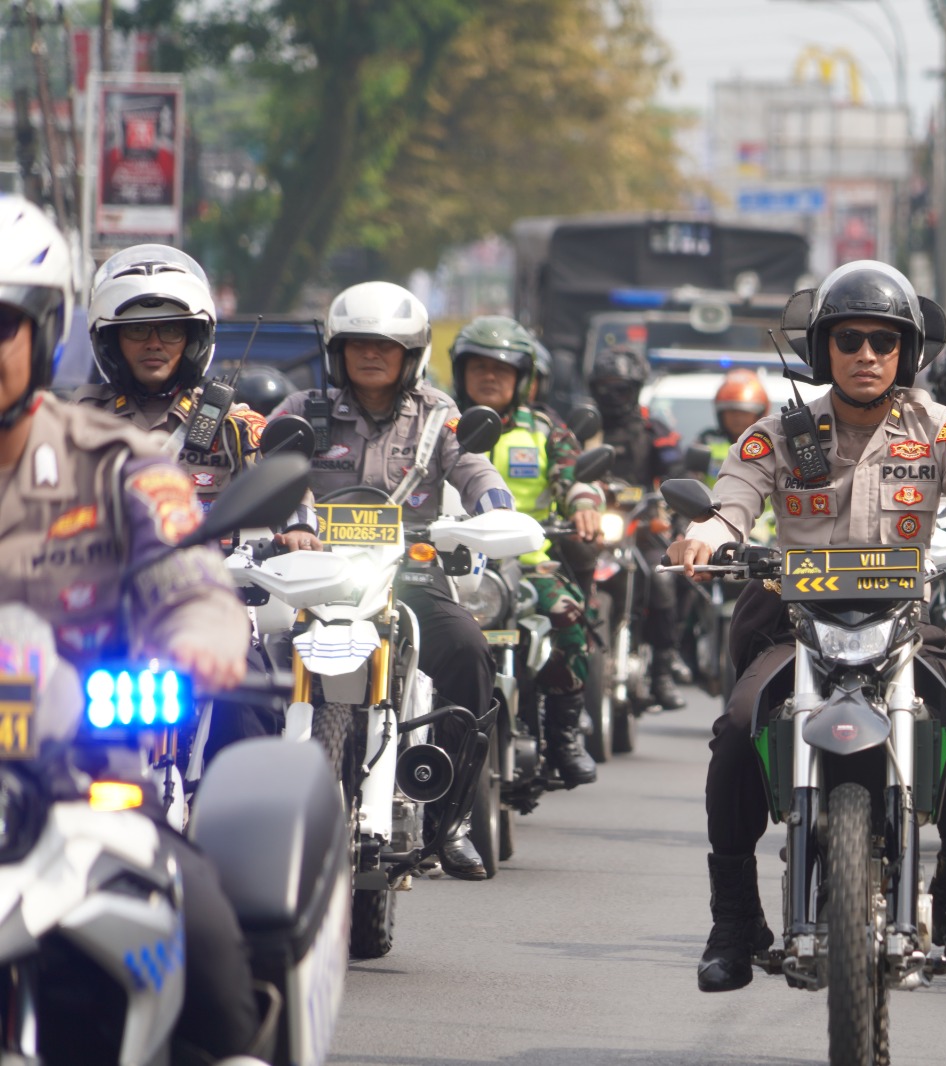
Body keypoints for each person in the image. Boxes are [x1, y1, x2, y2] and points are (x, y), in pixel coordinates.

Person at [666, 260, 946, 992]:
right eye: (850, 340)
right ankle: (734, 918)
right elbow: (730, 505)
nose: (868, 355)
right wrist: (706, 538)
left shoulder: (940, 429)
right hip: (797, 624)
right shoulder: (778, 432)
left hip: (907, 625)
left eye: (884, 340)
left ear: (907, 351)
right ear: (825, 350)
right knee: (739, 728)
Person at [0, 196, 259, 1062]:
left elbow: (188, 575)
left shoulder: (119, 463)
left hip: (83, 790)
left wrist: (205, 631)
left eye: (0, 323)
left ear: (42, 330)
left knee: (213, 947)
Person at [272, 280, 514, 879]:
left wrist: (496, 507)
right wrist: (296, 520)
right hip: (317, 576)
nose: (372, 355)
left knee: (468, 650)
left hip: (405, 572)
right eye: (358, 345)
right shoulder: (303, 411)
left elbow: (473, 465)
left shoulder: (438, 415)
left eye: (386, 346)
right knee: (247, 660)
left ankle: (450, 818)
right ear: (338, 351)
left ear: (412, 355)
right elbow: (274, 463)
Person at [74, 244, 318, 541]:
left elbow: (284, 484)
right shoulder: (78, 420)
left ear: (193, 340)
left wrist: (299, 528)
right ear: (111, 341)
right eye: (137, 330)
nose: (154, 343)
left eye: (170, 330)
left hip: (211, 577)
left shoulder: (234, 422)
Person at [450, 315, 603, 788]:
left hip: (527, 563)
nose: (489, 376)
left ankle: (563, 737)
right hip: (449, 564)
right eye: (478, 366)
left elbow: (576, 478)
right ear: (461, 373)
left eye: (502, 368)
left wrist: (583, 507)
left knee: (569, 616)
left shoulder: (544, 430)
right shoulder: (440, 422)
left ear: (523, 378)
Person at [588, 345, 689, 710]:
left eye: (621, 387)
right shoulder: (583, 427)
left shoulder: (652, 428)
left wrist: (674, 514)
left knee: (663, 578)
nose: (613, 396)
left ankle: (662, 670)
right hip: (591, 527)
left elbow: (677, 471)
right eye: (605, 387)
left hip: (642, 525)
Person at [700, 369, 769, 479]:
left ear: (758, 414)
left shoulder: (772, 444)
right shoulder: (707, 441)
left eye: (744, 412)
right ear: (721, 414)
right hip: (713, 496)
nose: (737, 418)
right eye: (731, 412)